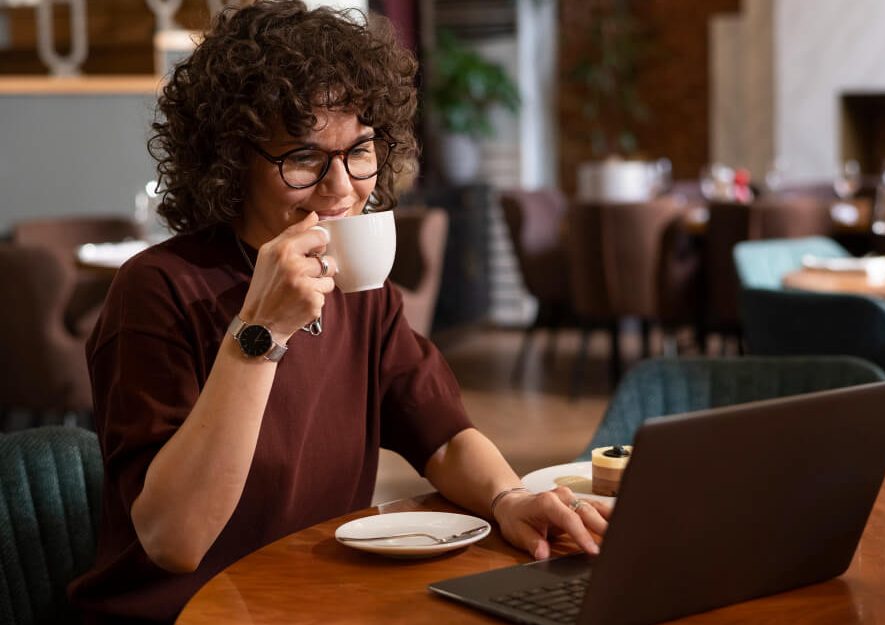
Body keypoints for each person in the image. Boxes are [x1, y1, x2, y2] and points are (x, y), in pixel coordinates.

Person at [69, 2, 609, 623]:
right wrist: (261, 331)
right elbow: (174, 541)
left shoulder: (358, 286)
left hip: (308, 603)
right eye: (303, 158)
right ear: (232, 163)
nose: (342, 188)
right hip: (179, 611)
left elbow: (443, 438)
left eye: (359, 151)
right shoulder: (159, 290)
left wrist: (508, 498)